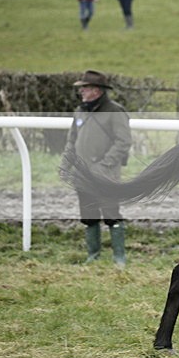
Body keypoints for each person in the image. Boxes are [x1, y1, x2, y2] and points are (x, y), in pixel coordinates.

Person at [60, 70, 131, 267]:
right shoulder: (80, 110)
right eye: (81, 88)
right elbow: (71, 140)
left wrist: (105, 164)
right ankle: (93, 256)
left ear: (97, 90)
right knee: (89, 215)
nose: (81, 91)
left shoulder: (115, 111)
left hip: (105, 175)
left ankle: (119, 258)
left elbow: (123, 142)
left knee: (111, 214)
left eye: (85, 87)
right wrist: (66, 163)